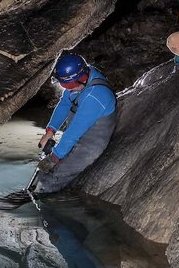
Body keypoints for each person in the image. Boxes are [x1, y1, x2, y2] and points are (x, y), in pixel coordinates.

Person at [35, 52, 117, 193]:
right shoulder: (81, 78)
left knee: (52, 179)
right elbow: (64, 105)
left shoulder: (95, 96)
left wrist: (54, 157)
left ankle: (41, 201)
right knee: (43, 171)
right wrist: (50, 131)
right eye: (65, 86)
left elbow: (73, 133)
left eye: (71, 86)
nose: (69, 90)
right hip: (77, 134)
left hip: (90, 144)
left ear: (82, 78)